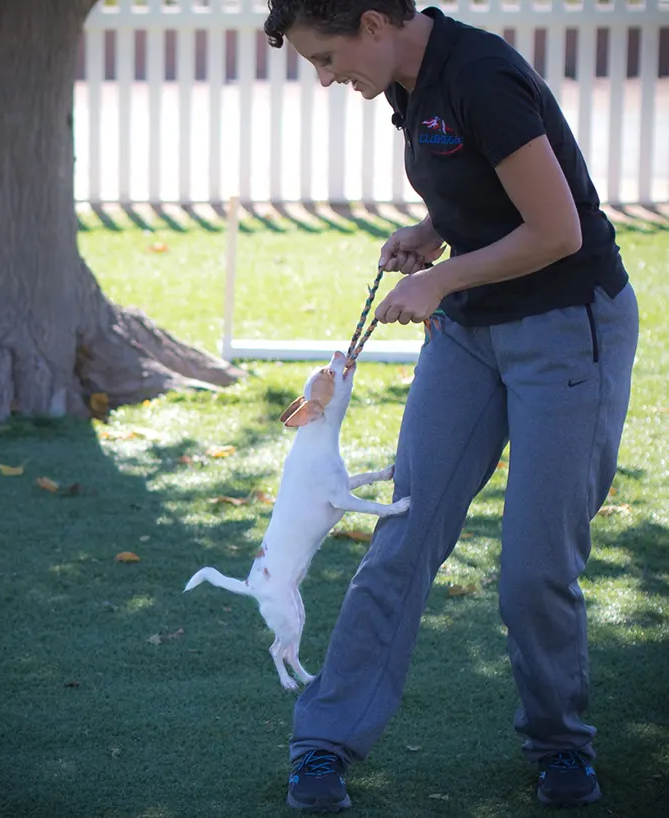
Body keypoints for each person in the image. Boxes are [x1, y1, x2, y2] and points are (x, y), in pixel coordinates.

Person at [263, 0, 639, 812]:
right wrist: (435, 231)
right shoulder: (406, 78)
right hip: (472, 335)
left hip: (567, 331)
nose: (327, 80)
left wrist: (437, 280)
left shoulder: (479, 73)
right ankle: (322, 743)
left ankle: (561, 747)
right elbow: (485, 182)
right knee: (401, 536)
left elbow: (558, 229)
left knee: (534, 569)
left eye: (326, 59)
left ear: (371, 22)